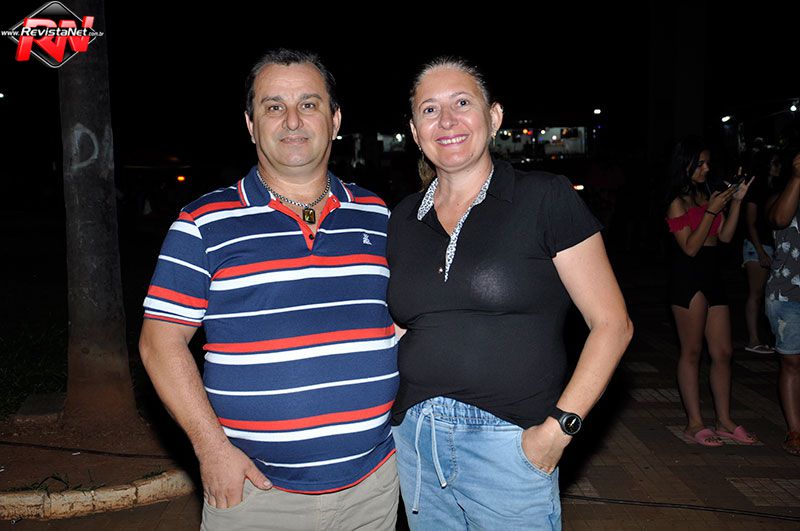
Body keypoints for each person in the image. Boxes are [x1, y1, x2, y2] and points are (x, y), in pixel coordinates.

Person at [138, 49, 399, 530]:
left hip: (373, 487)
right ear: (251, 124)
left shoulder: (377, 215)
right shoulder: (203, 223)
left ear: (335, 120)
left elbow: (399, 320)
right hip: (256, 494)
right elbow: (160, 343)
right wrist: (212, 449)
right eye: (274, 106)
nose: (292, 120)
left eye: (309, 104)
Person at [386, 57, 633, 530]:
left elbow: (612, 324)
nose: (447, 121)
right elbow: (400, 327)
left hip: (509, 444)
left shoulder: (545, 197)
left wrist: (557, 432)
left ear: (494, 116)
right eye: (430, 110)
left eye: (462, 103)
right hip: (416, 439)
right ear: (415, 132)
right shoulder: (402, 218)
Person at [664, 137, 757, 447]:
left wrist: (736, 202)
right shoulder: (676, 201)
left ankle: (724, 419)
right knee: (691, 351)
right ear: (685, 164)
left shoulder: (708, 194)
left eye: (707, 163)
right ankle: (694, 423)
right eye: (700, 163)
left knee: (723, 352)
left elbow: (726, 237)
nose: (706, 168)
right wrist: (710, 213)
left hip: (713, 273)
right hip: (688, 276)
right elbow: (690, 248)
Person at [765, 151, 800, 456]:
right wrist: (797, 177)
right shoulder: (779, 198)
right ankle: (795, 430)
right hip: (787, 294)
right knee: (792, 363)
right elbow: (779, 219)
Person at [742, 151, 780, 353]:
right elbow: (750, 223)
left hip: (771, 246)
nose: (778, 167)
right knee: (756, 293)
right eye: (775, 163)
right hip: (756, 246)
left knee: (770, 294)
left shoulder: (775, 188)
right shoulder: (756, 188)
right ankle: (753, 340)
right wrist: (760, 252)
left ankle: (771, 338)